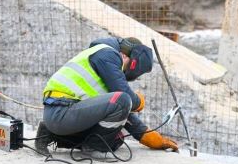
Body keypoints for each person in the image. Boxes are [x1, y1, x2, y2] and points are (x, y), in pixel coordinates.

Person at [35, 37, 178, 155]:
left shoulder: (104, 60)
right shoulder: (107, 55)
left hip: (66, 113)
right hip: (62, 110)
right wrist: (138, 101)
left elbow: (119, 109)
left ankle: (49, 134)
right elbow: (124, 100)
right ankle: (94, 147)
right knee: (123, 100)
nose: (125, 73)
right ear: (124, 55)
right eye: (128, 68)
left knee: (115, 140)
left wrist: (146, 135)